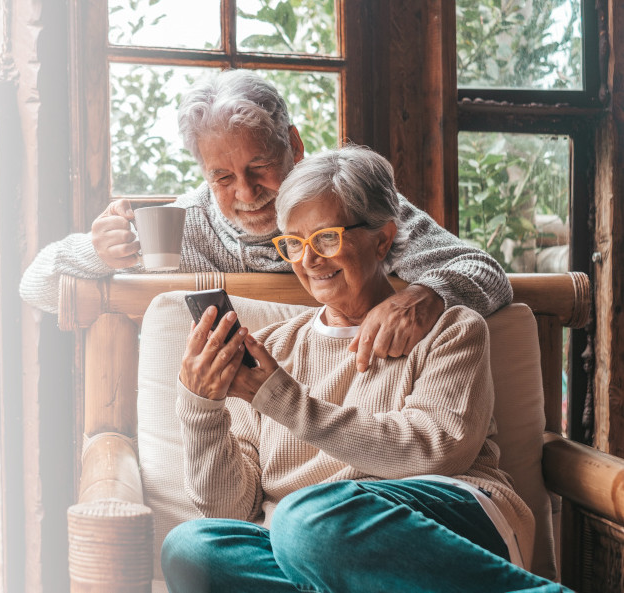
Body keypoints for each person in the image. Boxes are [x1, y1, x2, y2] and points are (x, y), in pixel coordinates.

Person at [161, 146, 571, 592]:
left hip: (446, 520)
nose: (308, 260)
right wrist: (201, 406)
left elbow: (436, 450)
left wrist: (282, 399)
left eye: (326, 238)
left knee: (307, 518)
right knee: (192, 548)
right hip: (316, 548)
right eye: (293, 243)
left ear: (383, 239)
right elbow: (231, 510)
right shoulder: (273, 348)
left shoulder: (448, 327)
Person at [19, 69, 512, 372]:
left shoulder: (345, 197)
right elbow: (35, 285)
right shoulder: (182, 227)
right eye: (222, 177)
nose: (246, 193)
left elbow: (486, 271)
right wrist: (97, 253)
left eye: (259, 169)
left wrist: (424, 298)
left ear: (294, 147)